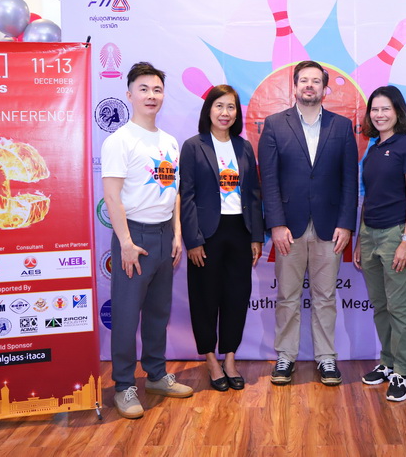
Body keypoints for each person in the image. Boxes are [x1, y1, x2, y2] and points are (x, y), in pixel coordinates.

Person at [101, 61, 193, 419]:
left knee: (158, 313)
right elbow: (112, 196)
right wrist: (125, 242)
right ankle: (124, 386)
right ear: (129, 95)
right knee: (126, 317)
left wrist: (177, 234)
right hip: (134, 237)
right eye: (143, 89)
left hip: (164, 235)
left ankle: (156, 376)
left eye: (157, 89)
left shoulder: (169, 141)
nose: (151, 95)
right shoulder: (119, 140)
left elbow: (175, 192)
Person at [258, 60, 358, 386]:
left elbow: (349, 181)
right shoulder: (275, 124)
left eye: (316, 81)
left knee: (325, 297)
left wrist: (346, 224)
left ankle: (326, 358)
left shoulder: (342, 126)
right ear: (295, 86)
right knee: (287, 296)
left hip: (330, 227)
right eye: (304, 80)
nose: (310, 86)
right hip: (288, 227)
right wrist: (275, 224)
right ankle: (285, 357)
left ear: (325, 88)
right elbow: (269, 180)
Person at [180, 85, 264, 392]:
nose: (225, 113)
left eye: (231, 107)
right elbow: (186, 195)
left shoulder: (244, 147)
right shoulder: (193, 146)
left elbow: (253, 193)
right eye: (219, 106)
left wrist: (256, 236)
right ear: (209, 110)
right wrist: (193, 240)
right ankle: (211, 360)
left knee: (236, 297)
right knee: (204, 298)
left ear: (237, 113)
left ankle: (230, 358)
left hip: (239, 231)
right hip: (206, 235)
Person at [353, 86, 406, 402]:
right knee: (381, 305)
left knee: (399, 307)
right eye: (375, 109)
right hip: (370, 234)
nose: (379, 115)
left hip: (398, 233)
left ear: (398, 111)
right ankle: (388, 362)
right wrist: (360, 239)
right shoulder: (372, 149)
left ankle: (403, 373)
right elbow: (368, 197)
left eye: (386, 109)